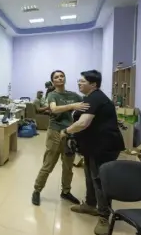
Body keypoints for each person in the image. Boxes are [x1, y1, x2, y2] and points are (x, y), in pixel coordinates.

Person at [60, 70, 125, 235]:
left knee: (100, 181)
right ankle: (90, 204)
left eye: (82, 81)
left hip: (103, 147)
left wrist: (67, 131)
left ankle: (104, 216)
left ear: (93, 84)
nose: (79, 83)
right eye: (79, 81)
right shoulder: (90, 98)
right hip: (92, 146)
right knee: (90, 176)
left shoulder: (96, 98)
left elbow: (83, 123)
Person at [32, 70, 89, 206]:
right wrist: (72, 106)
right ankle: (37, 190)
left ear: (65, 78)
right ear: (53, 82)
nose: (59, 78)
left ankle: (66, 191)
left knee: (68, 166)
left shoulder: (73, 95)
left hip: (69, 134)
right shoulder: (52, 95)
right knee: (48, 164)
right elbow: (54, 109)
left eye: (62, 76)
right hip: (55, 133)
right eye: (56, 77)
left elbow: (88, 104)